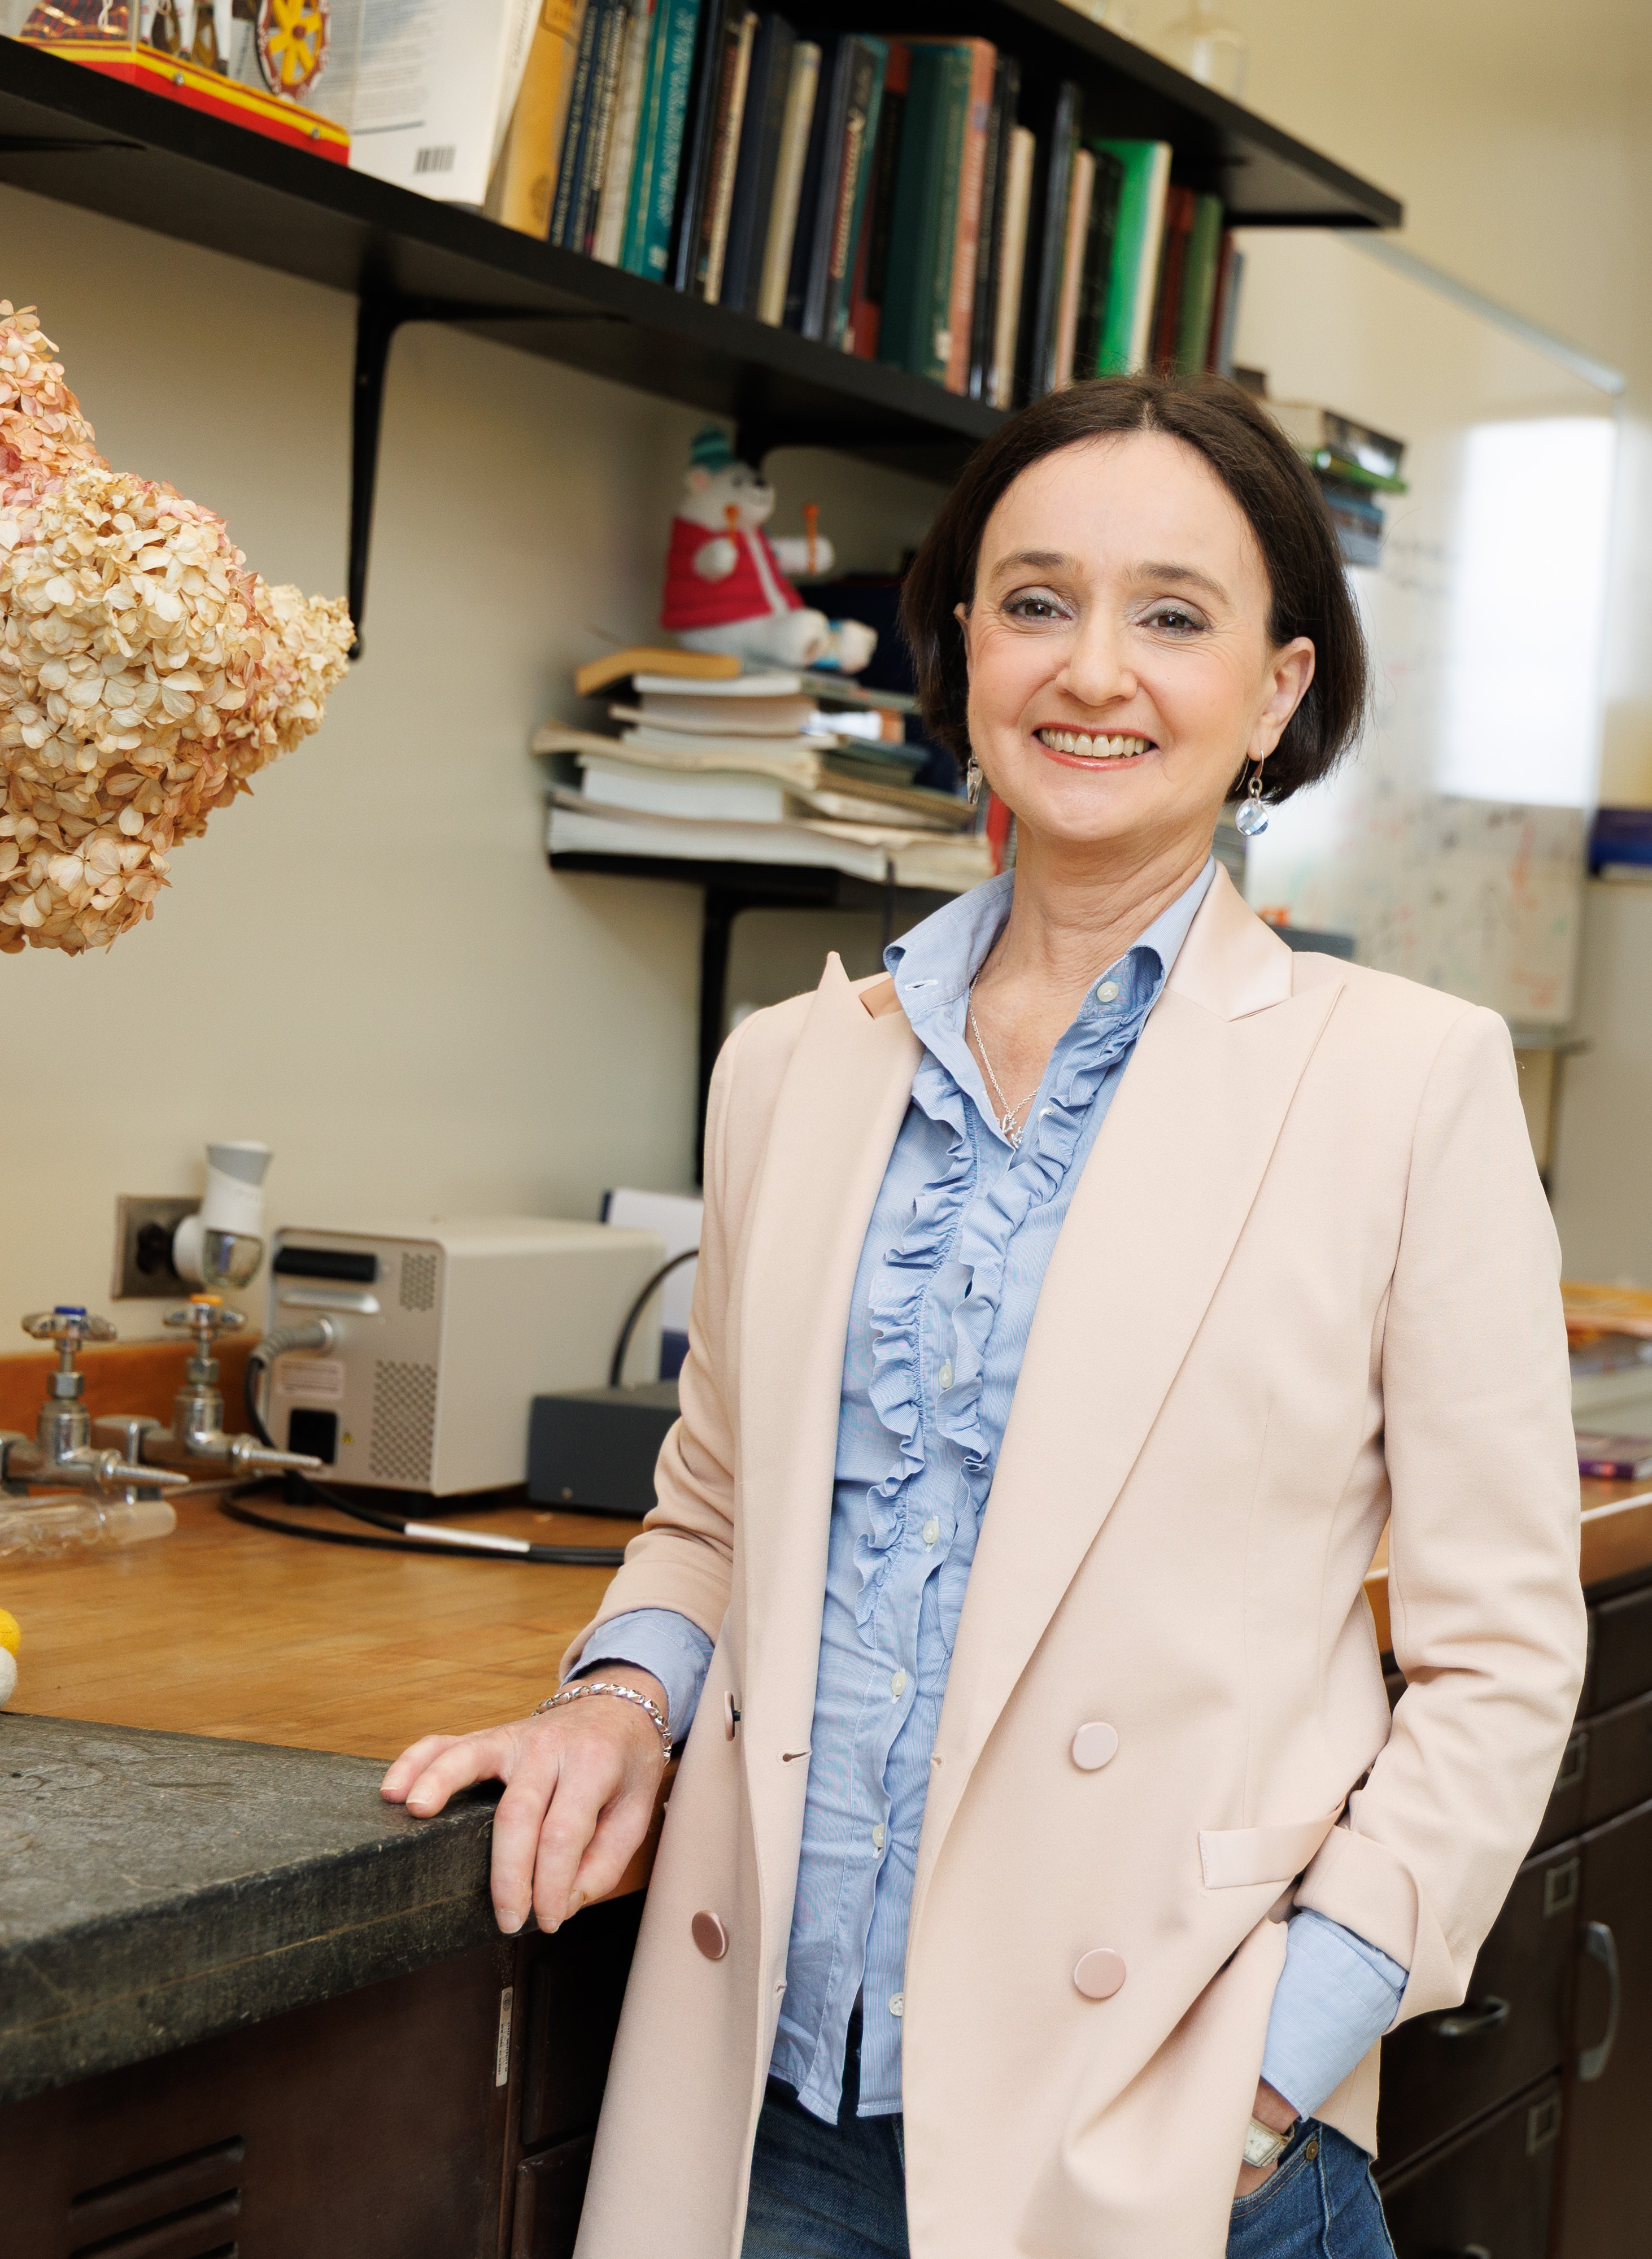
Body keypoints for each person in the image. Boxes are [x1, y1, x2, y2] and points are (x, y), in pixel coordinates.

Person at [383, 376, 1586, 2259]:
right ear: (959, 652)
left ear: (1277, 689)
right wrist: (618, 1702)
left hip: (1163, 2132)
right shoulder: (793, 1066)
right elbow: (713, 1504)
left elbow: (1500, 1655)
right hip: (766, 2106)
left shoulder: (1408, 1084)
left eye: (1173, 616)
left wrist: (1275, 2066)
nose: (1091, 669)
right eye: (1035, 602)